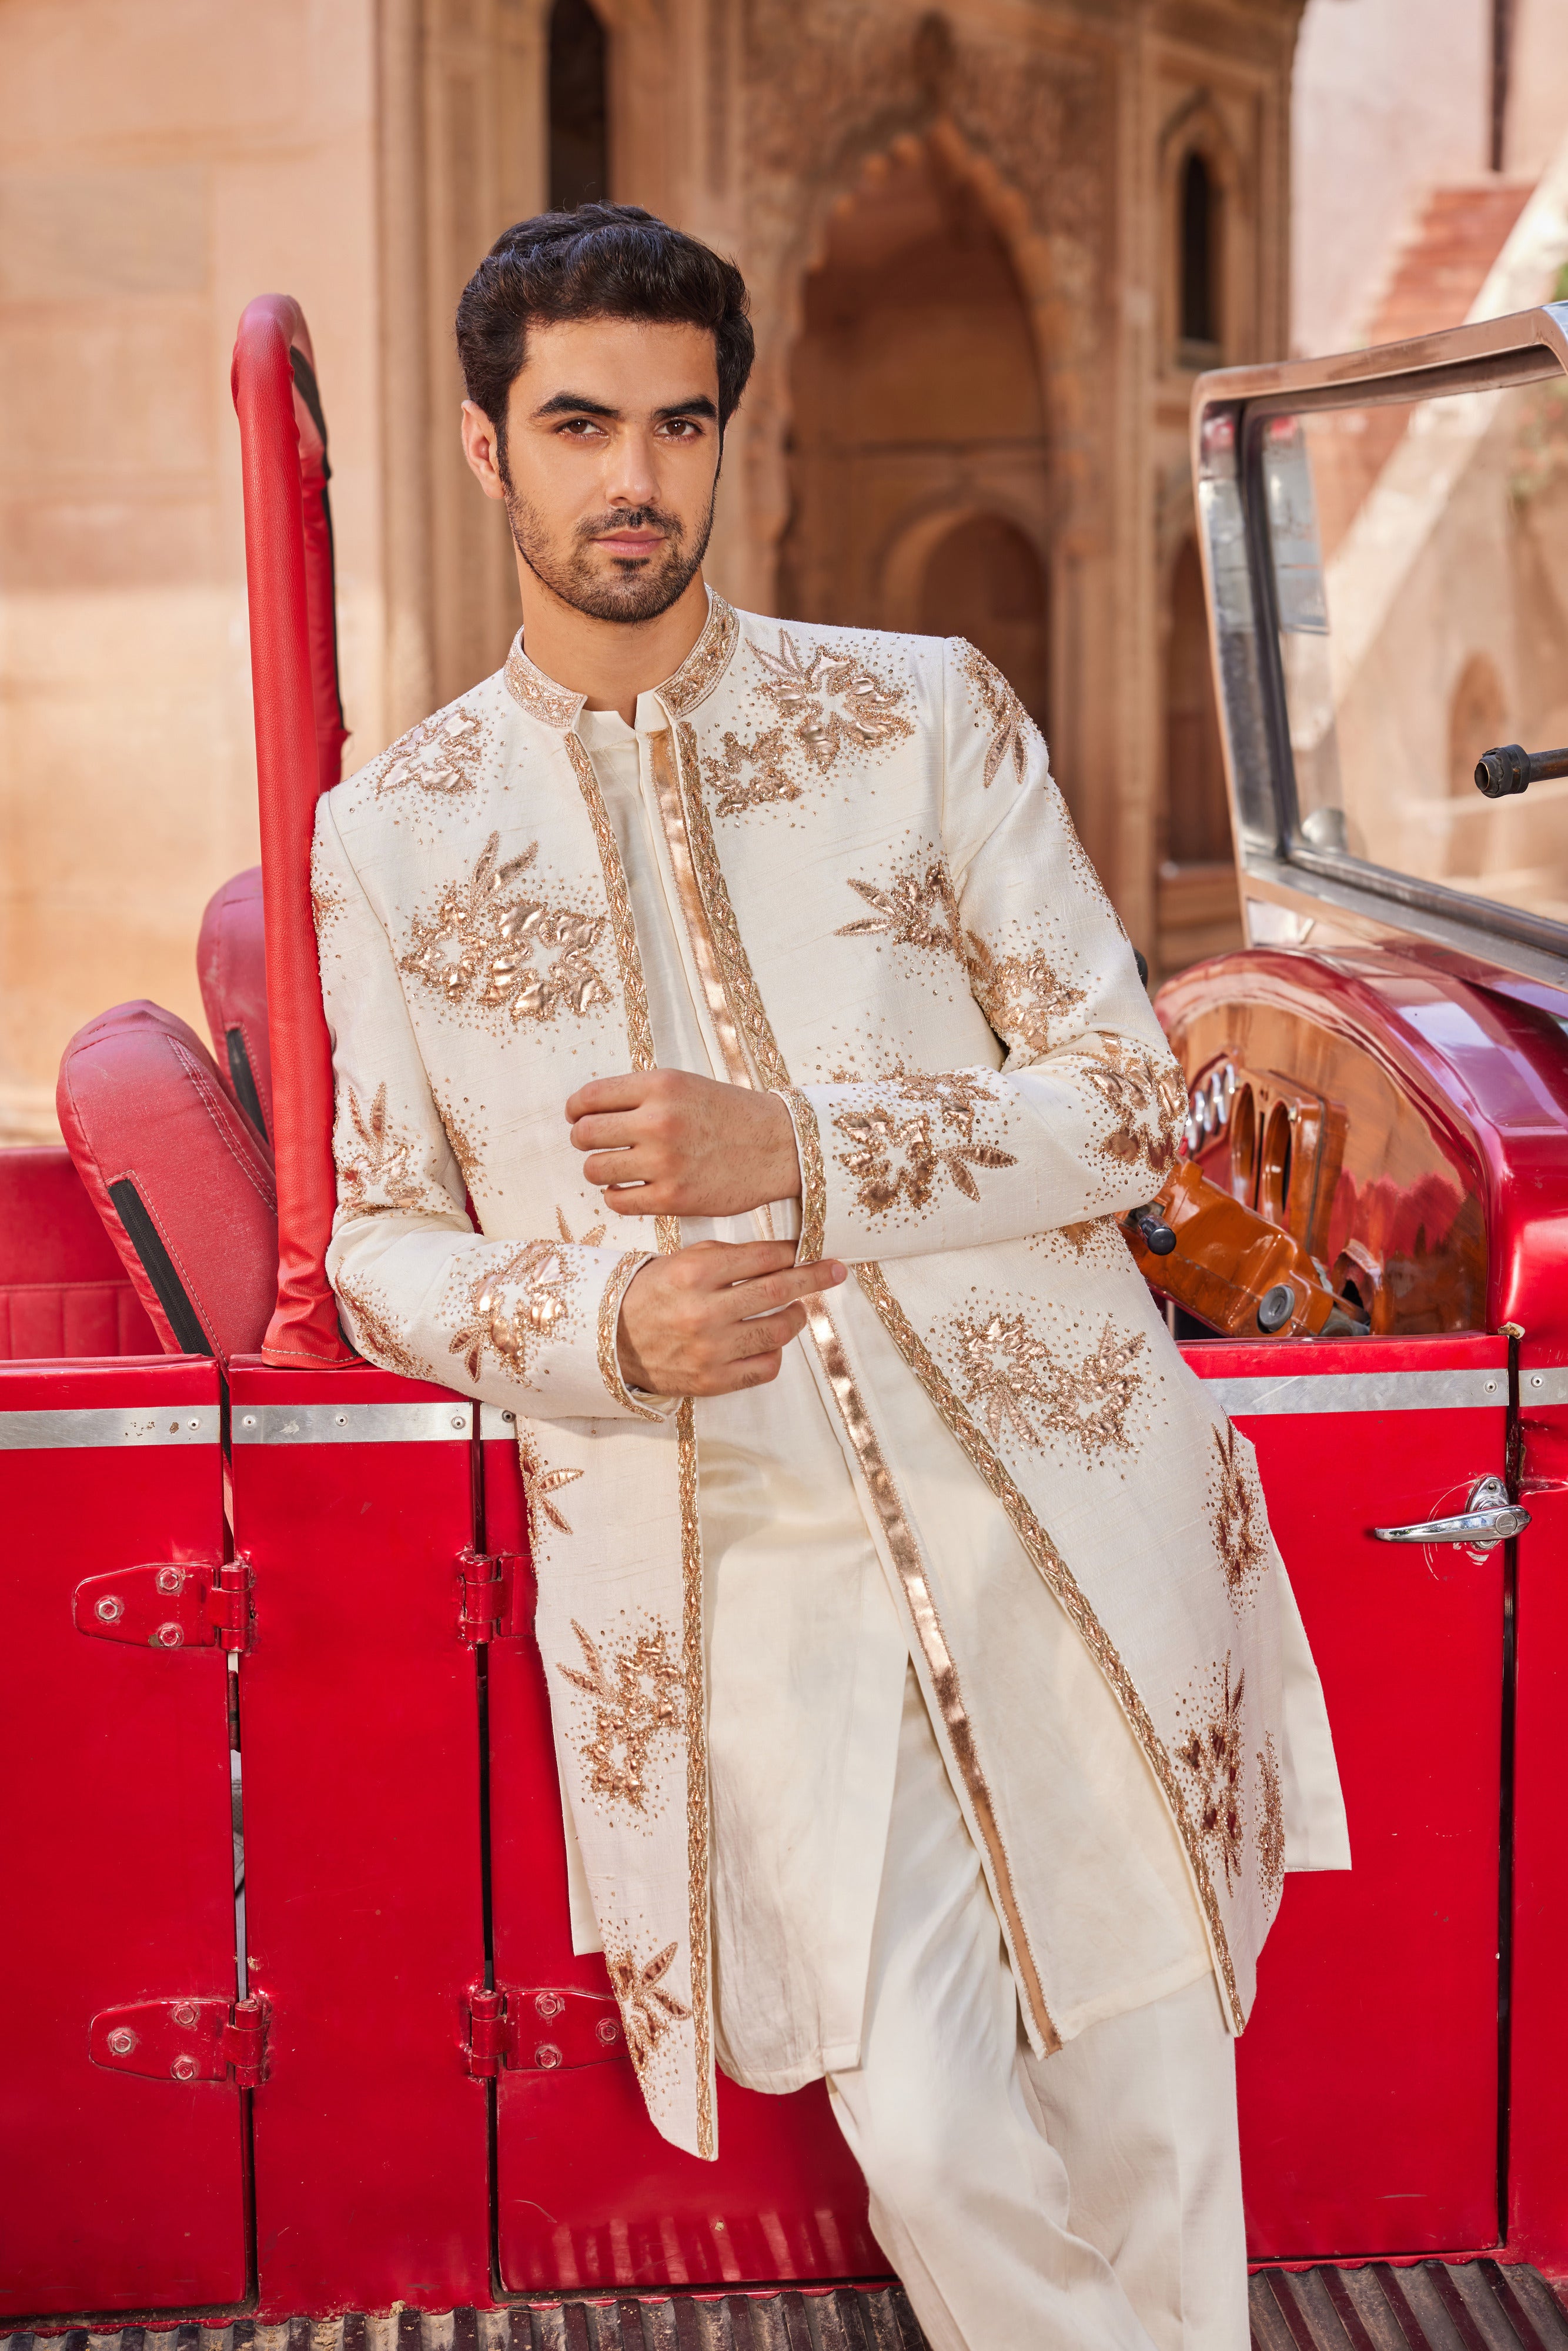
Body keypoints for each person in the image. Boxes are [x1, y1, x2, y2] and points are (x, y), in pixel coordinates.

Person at [312, 202, 1348, 2351]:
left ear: (727, 444)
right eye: (580, 424)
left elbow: (1121, 1098)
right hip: (729, 1560)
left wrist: (806, 1157)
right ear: (489, 446)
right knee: (937, 2134)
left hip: (1052, 1497)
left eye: (677, 427)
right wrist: (598, 1328)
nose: (634, 481)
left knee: (1154, 2103)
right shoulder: (394, 827)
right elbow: (382, 1239)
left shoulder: (919, 717)